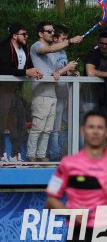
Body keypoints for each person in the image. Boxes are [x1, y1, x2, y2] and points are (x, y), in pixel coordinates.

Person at [46, 111, 107, 242]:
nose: (95, 131)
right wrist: (71, 213)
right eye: (91, 127)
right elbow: (50, 201)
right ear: (82, 130)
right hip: (79, 234)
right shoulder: (68, 164)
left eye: (100, 127)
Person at [28, 21, 82, 162]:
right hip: (40, 93)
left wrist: (67, 71)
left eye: (53, 31)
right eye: (49, 31)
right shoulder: (36, 46)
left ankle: (41, 156)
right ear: (40, 33)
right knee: (37, 128)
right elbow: (49, 50)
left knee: (47, 129)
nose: (52, 33)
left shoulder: (52, 53)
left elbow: (55, 73)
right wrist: (70, 41)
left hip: (53, 93)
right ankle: (31, 156)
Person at [0, 23, 43, 163]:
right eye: (23, 34)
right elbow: (3, 69)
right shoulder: (4, 47)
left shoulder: (24, 48)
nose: (26, 36)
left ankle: (15, 154)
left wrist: (35, 71)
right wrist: (25, 72)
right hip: (3, 90)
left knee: (20, 122)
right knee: (2, 123)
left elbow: (28, 67)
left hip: (15, 91)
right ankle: (1, 155)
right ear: (14, 35)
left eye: (26, 34)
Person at [48, 25, 80, 161]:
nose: (66, 41)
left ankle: (62, 152)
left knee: (66, 124)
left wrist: (72, 72)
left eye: (67, 39)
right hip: (52, 93)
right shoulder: (49, 52)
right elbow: (52, 73)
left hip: (64, 93)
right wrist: (66, 68)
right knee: (54, 126)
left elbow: (63, 71)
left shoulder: (63, 52)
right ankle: (54, 155)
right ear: (55, 38)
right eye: (63, 39)